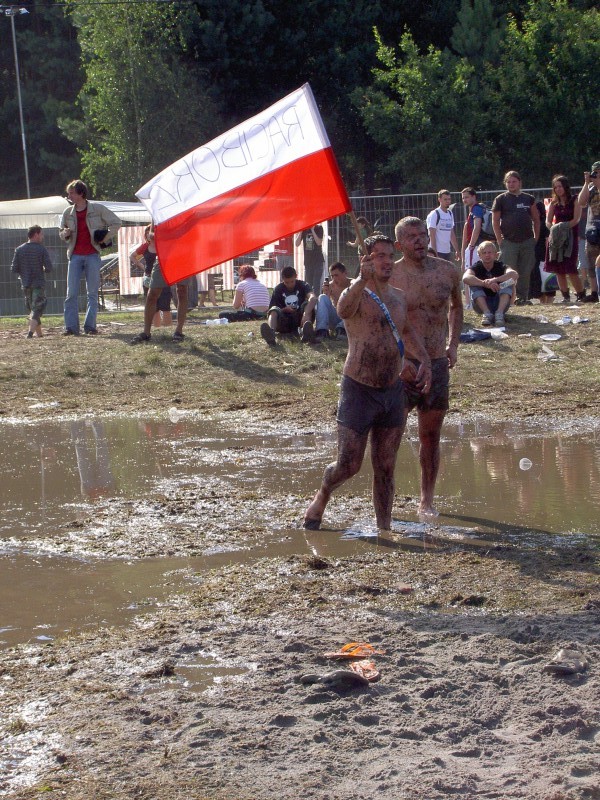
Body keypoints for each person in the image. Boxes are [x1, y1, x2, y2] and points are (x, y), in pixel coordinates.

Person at [303, 234, 431, 532]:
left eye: (389, 255)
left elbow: (408, 332)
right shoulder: (355, 292)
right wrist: (360, 280)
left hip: (391, 390)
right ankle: (323, 494)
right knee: (349, 464)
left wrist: (423, 360)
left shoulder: (398, 297)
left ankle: (384, 529)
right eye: (379, 256)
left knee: (386, 465)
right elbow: (343, 311)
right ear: (366, 260)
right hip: (358, 388)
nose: (386, 262)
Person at [392, 217, 463, 517]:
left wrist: (453, 344)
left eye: (422, 234)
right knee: (390, 435)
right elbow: (380, 321)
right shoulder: (390, 275)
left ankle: (427, 499)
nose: (419, 240)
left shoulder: (446, 271)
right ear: (400, 244)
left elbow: (457, 306)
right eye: (412, 237)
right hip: (403, 364)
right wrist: (397, 360)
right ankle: (387, 499)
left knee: (430, 435)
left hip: (436, 360)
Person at [59, 179, 121, 335]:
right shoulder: (67, 212)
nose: (69, 196)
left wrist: (105, 238)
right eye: (69, 193)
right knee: (71, 293)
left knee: (92, 293)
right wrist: (64, 234)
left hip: (93, 255)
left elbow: (116, 222)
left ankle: (90, 326)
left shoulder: (97, 209)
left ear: (81, 193)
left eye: (71, 193)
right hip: (74, 256)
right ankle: (71, 328)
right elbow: (61, 232)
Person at [130, 224, 191, 344]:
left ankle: (178, 331)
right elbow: (151, 233)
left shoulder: (181, 213)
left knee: (182, 291)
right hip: (163, 257)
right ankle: (146, 332)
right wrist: (154, 235)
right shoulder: (159, 214)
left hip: (182, 254)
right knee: (152, 294)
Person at [491, 171, 539, 305]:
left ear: (520, 182)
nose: (511, 184)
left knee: (525, 271)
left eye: (514, 181)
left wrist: (536, 237)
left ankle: (522, 298)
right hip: (509, 241)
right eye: (509, 182)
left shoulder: (528, 198)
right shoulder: (501, 199)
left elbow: (536, 219)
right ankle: (505, 298)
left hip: (527, 241)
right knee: (508, 271)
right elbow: (495, 221)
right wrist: (500, 240)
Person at [545, 175, 586, 304]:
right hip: (556, 239)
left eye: (560, 186)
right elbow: (548, 220)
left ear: (565, 187)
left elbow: (576, 219)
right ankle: (565, 296)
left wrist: (563, 227)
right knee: (558, 268)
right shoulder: (553, 203)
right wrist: (553, 229)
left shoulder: (574, 200)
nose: (558, 189)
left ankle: (581, 294)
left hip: (570, 236)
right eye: (555, 187)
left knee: (570, 267)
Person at [11, 225, 53, 338]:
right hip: (38, 283)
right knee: (37, 309)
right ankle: (30, 333)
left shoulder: (19, 249)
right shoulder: (41, 249)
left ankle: (39, 335)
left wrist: (24, 271)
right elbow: (49, 267)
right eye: (42, 234)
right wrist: (42, 268)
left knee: (33, 310)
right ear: (36, 234)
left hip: (25, 284)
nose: (43, 237)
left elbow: (14, 268)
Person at [463, 241, 518, 326]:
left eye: (490, 252)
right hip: (481, 305)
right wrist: (484, 283)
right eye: (484, 253)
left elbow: (514, 275)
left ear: (496, 254)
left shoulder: (501, 265)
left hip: (500, 301)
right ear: (479, 255)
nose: (487, 255)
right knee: (473, 283)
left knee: (509, 282)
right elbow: (465, 278)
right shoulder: (476, 267)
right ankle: (487, 314)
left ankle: (499, 314)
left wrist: (495, 280)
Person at [260, 266, 317, 345]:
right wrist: (284, 309)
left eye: (292, 281)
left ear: (296, 276)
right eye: (287, 282)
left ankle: (306, 332)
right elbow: (271, 310)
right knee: (274, 310)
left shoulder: (303, 285)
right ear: (282, 279)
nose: (290, 285)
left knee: (307, 305)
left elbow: (313, 298)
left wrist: (306, 313)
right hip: (284, 321)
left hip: (300, 319)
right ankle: (271, 333)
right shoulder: (278, 289)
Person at [131, 225, 173, 328]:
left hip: (163, 279)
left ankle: (167, 328)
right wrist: (141, 266)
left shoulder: (163, 245)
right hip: (149, 279)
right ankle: (157, 328)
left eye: (152, 232)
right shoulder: (145, 246)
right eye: (147, 232)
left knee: (165, 305)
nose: (150, 234)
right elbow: (132, 256)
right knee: (153, 306)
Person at [576, 161, 600, 303]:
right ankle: (594, 292)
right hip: (592, 230)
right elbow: (581, 202)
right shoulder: (590, 188)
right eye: (595, 172)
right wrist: (586, 183)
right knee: (591, 263)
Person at [313, 261, 352, 340]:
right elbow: (325, 305)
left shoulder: (353, 284)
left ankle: (342, 330)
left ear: (345, 273)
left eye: (336, 275)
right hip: (336, 317)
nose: (334, 279)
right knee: (322, 297)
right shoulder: (330, 285)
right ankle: (322, 330)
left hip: (349, 318)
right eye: (332, 276)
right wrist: (326, 293)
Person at [426, 189, 459, 262]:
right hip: (437, 251)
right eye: (445, 199)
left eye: (449, 199)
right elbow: (432, 235)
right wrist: (435, 253)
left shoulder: (450, 213)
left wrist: (457, 250)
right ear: (439, 199)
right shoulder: (434, 214)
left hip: (447, 251)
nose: (448, 201)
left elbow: (451, 233)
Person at [295, 225, 324, 291]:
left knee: (316, 285)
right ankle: (309, 300)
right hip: (308, 262)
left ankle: (316, 300)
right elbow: (297, 244)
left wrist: (312, 230)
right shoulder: (304, 230)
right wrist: (301, 231)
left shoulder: (319, 228)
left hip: (318, 261)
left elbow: (319, 242)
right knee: (308, 285)